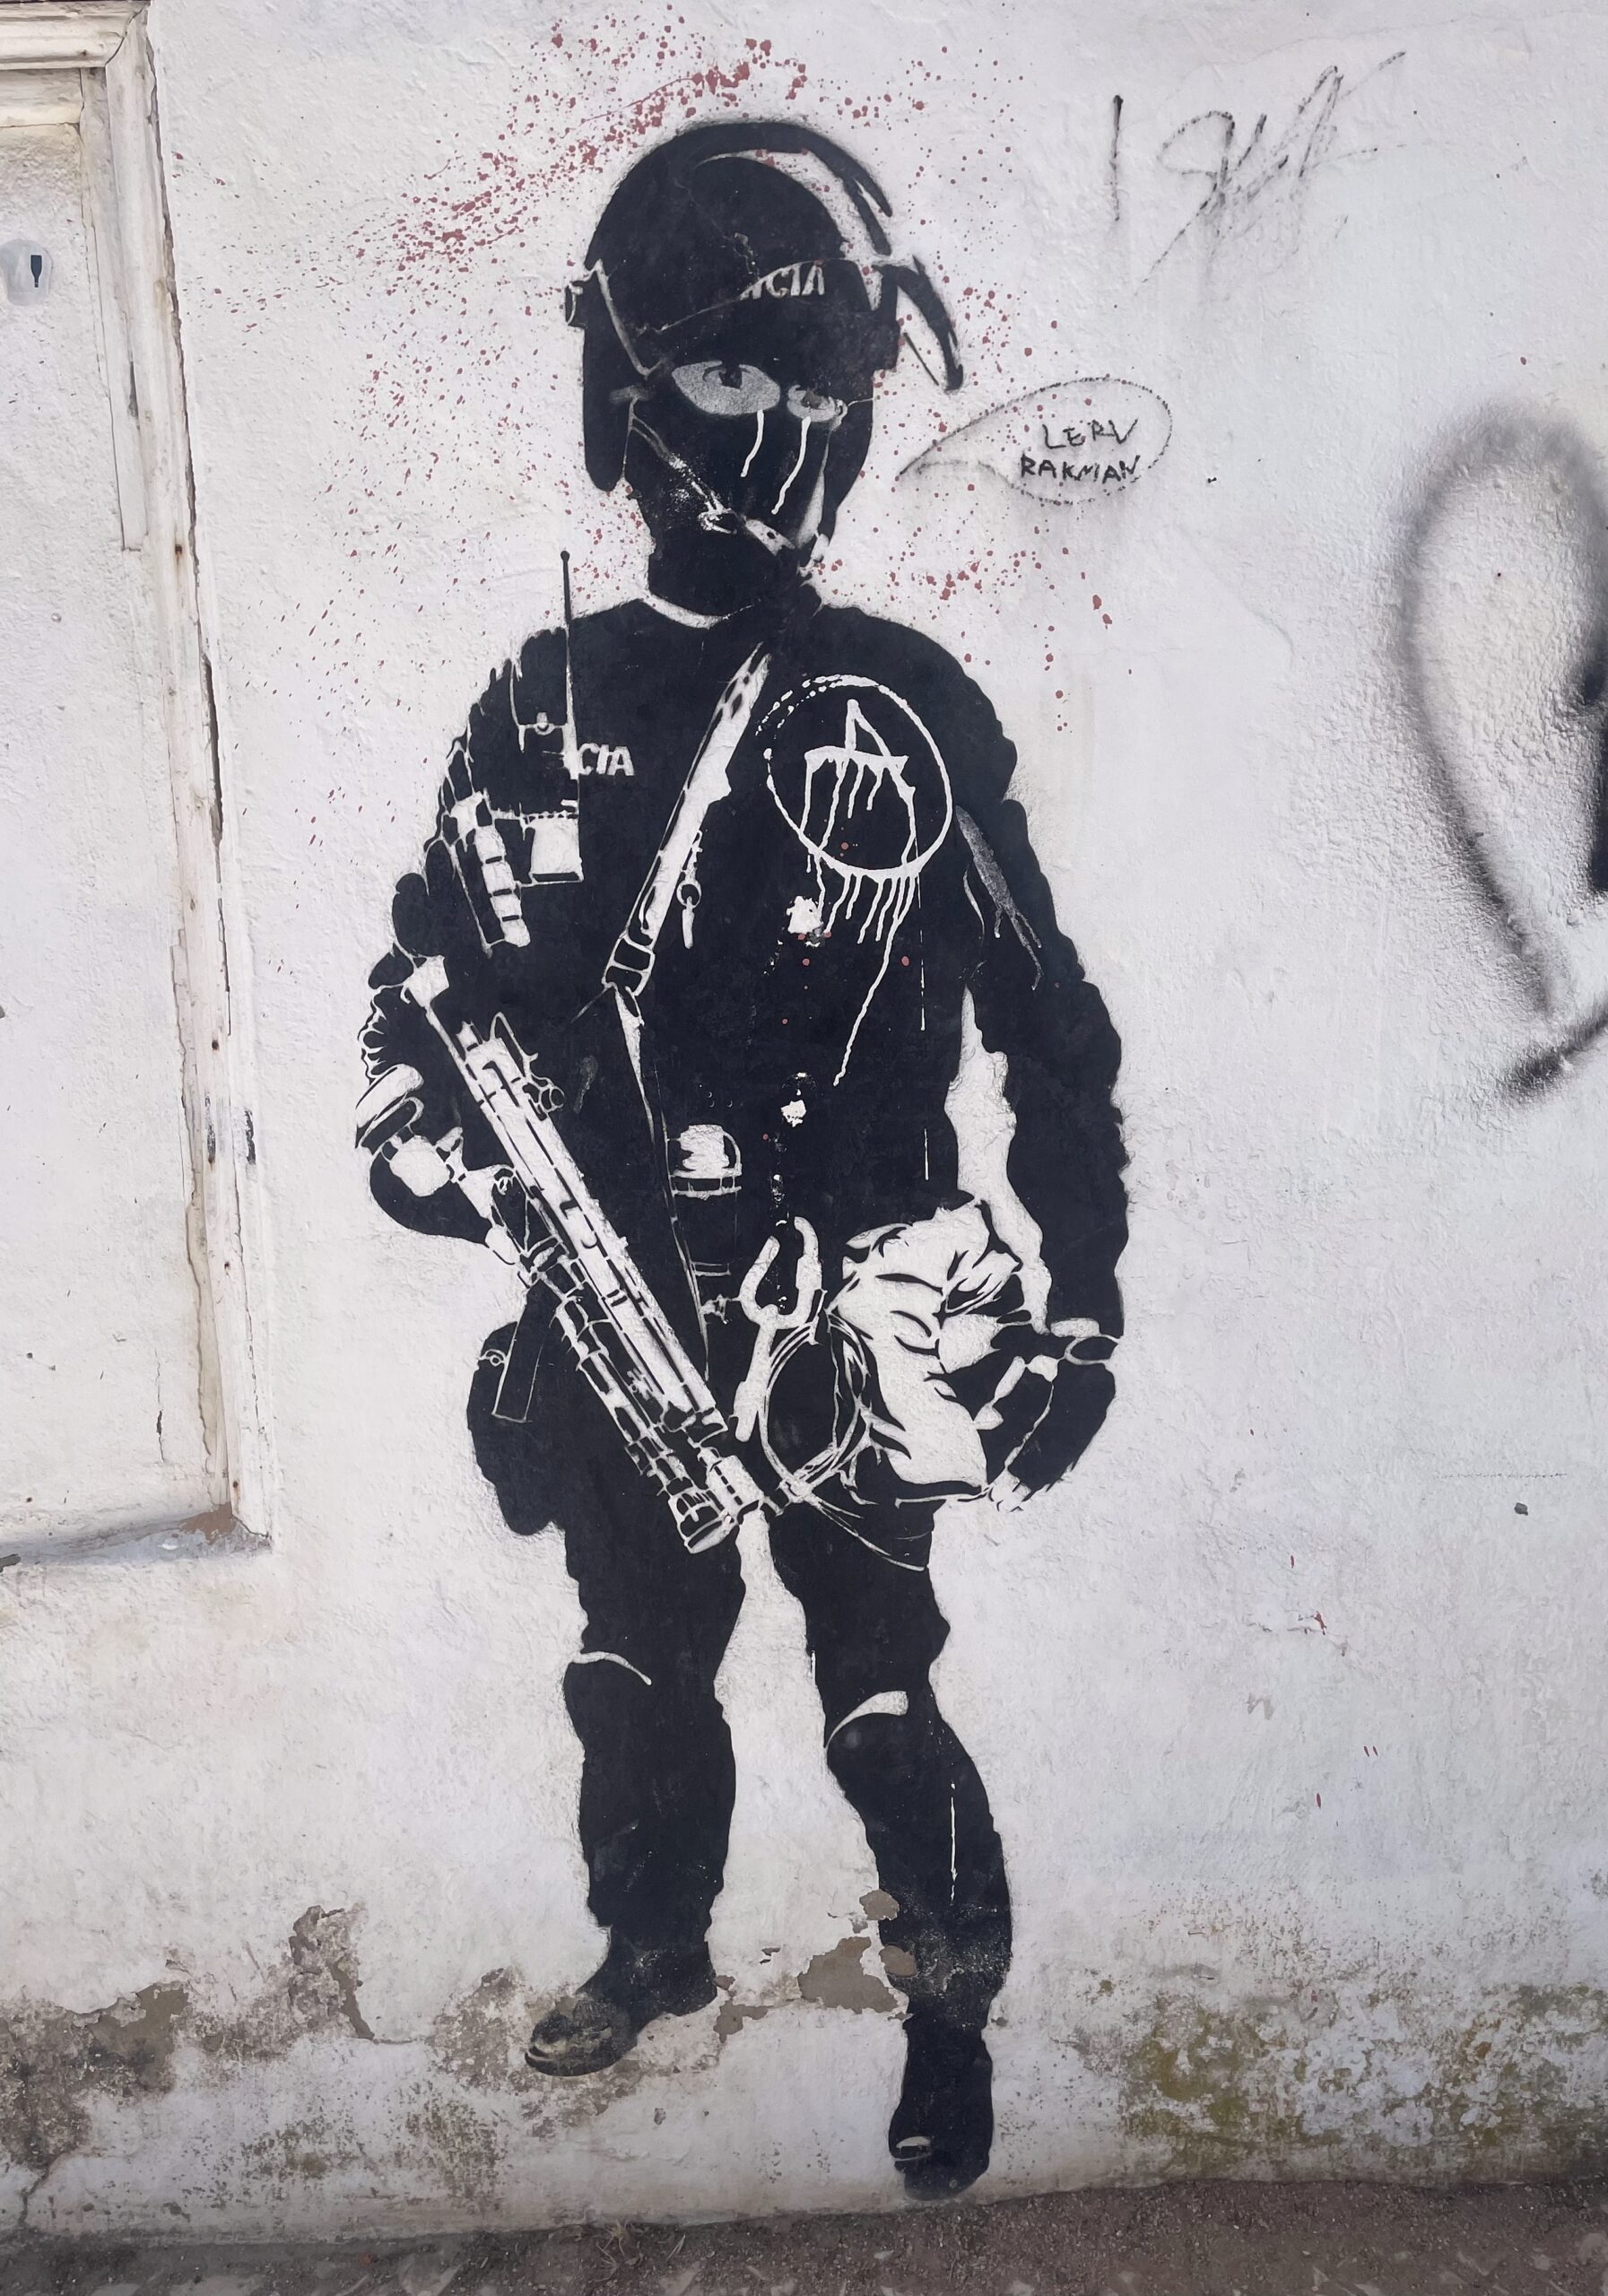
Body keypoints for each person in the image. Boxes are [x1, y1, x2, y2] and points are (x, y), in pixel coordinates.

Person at [358, 120, 1127, 2201]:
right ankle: (653, 1943)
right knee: (634, 1668)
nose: (780, 430)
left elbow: (1052, 1023)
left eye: (815, 382)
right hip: (619, 1306)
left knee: (878, 1683)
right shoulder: (536, 705)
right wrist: (438, 1148)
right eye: (724, 374)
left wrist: (1079, 1308)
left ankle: (948, 2001)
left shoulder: (905, 702)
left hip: (854, 1303)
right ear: (627, 398)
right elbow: (412, 1015)